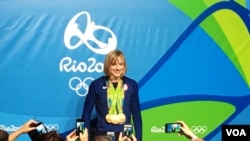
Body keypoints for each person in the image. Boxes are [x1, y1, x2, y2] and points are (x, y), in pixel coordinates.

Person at [82, 49, 142, 141]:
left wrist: (139, 139)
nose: (118, 68)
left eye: (121, 64)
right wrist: (84, 137)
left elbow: (136, 115)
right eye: (114, 64)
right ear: (107, 65)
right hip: (102, 135)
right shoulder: (96, 85)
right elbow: (86, 113)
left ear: (124, 66)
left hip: (126, 134)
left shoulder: (132, 84)